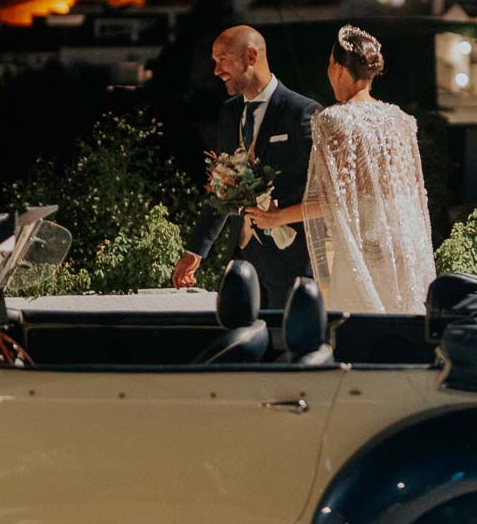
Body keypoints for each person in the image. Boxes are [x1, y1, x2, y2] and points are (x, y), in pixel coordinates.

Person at [246, 24, 436, 314]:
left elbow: (334, 202)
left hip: (364, 248)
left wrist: (278, 217)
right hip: (404, 247)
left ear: (337, 67)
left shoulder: (334, 121)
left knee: (359, 331)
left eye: (329, 64)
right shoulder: (402, 121)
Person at [172, 26, 321, 309]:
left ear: (251, 55)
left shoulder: (302, 112)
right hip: (242, 261)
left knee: (284, 345)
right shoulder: (229, 112)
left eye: (222, 59)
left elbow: (321, 191)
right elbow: (223, 188)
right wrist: (196, 250)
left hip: (290, 262)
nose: (216, 70)